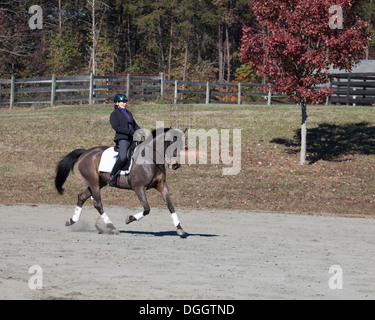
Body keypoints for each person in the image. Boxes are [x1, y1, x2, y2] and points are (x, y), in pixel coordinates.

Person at [107, 93, 141, 186]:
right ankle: (112, 175)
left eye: (125, 102)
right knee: (123, 157)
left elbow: (135, 125)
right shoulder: (114, 114)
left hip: (132, 137)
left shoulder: (128, 113)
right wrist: (130, 132)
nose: (125, 103)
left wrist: (141, 131)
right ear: (117, 103)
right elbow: (116, 127)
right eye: (123, 102)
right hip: (123, 138)